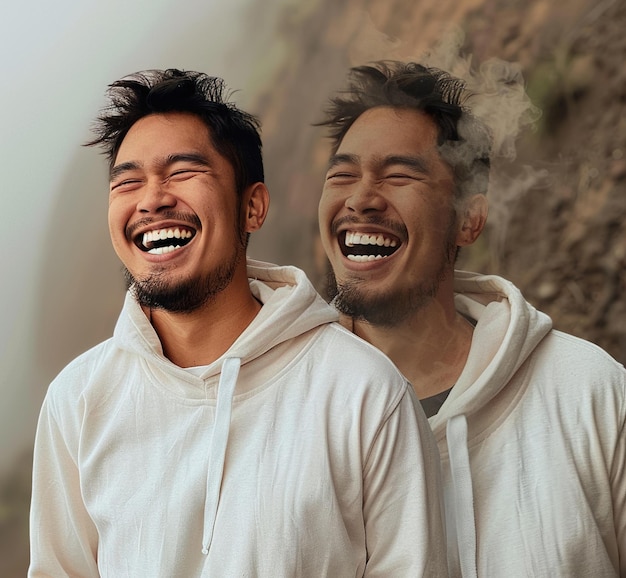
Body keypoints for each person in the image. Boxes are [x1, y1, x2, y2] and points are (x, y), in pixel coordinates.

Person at [28, 69, 448, 577]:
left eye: (182, 172)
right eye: (128, 181)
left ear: (253, 206)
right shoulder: (78, 400)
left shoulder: (364, 392)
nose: (152, 199)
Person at [317, 60, 626, 577]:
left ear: (469, 218)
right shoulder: (287, 414)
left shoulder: (586, 393)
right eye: (342, 175)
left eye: (398, 175)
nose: (361, 198)